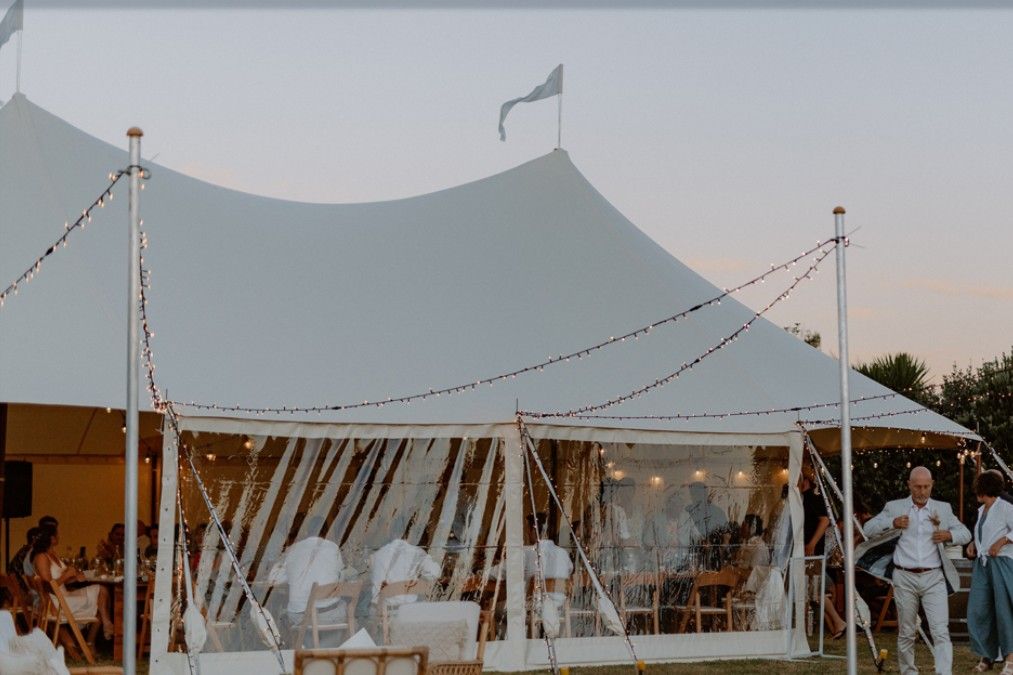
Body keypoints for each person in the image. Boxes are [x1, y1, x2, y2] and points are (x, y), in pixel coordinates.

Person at [864, 466, 971, 675]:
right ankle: (909, 672)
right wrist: (891, 522)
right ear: (909, 486)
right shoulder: (895, 507)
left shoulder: (943, 508)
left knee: (940, 631)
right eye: (917, 487)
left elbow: (965, 533)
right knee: (906, 631)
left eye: (926, 487)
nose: (922, 492)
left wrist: (949, 535)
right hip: (904, 576)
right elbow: (868, 528)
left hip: (934, 577)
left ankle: (943, 673)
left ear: (932, 485)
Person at [967, 470, 1013, 673]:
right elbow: (984, 533)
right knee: (980, 610)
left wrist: (1002, 541)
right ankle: (989, 654)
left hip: (1002, 563)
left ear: (984, 489)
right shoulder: (981, 511)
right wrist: (973, 543)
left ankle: (1010, 658)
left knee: (1004, 611)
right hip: (983, 565)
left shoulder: (1005, 507)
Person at [31, 528, 114, 639]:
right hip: (56, 602)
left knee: (102, 589)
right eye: (57, 535)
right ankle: (101, 631)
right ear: (51, 539)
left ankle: (105, 623)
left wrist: (75, 578)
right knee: (99, 602)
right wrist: (67, 575)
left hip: (65, 595)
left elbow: (61, 580)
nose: (59, 537)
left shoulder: (53, 554)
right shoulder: (42, 557)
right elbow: (48, 586)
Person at [267, 515, 345, 629]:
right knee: (344, 606)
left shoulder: (293, 549)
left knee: (283, 617)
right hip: (330, 614)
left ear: (307, 531)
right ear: (326, 531)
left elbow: (273, 580)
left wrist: (283, 559)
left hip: (302, 617)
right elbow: (341, 579)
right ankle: (328, 644)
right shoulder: (333, 548)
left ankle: (305, 644)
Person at [800, 470, 847, 640]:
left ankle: (838, 622)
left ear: (804, 479)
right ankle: (836, 623)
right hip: (807, 551)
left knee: (814, 590)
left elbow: (825, 520)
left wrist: (812, 543)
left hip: (811, 551)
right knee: (812, 591)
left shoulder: (812, 497)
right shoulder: (806, 498)